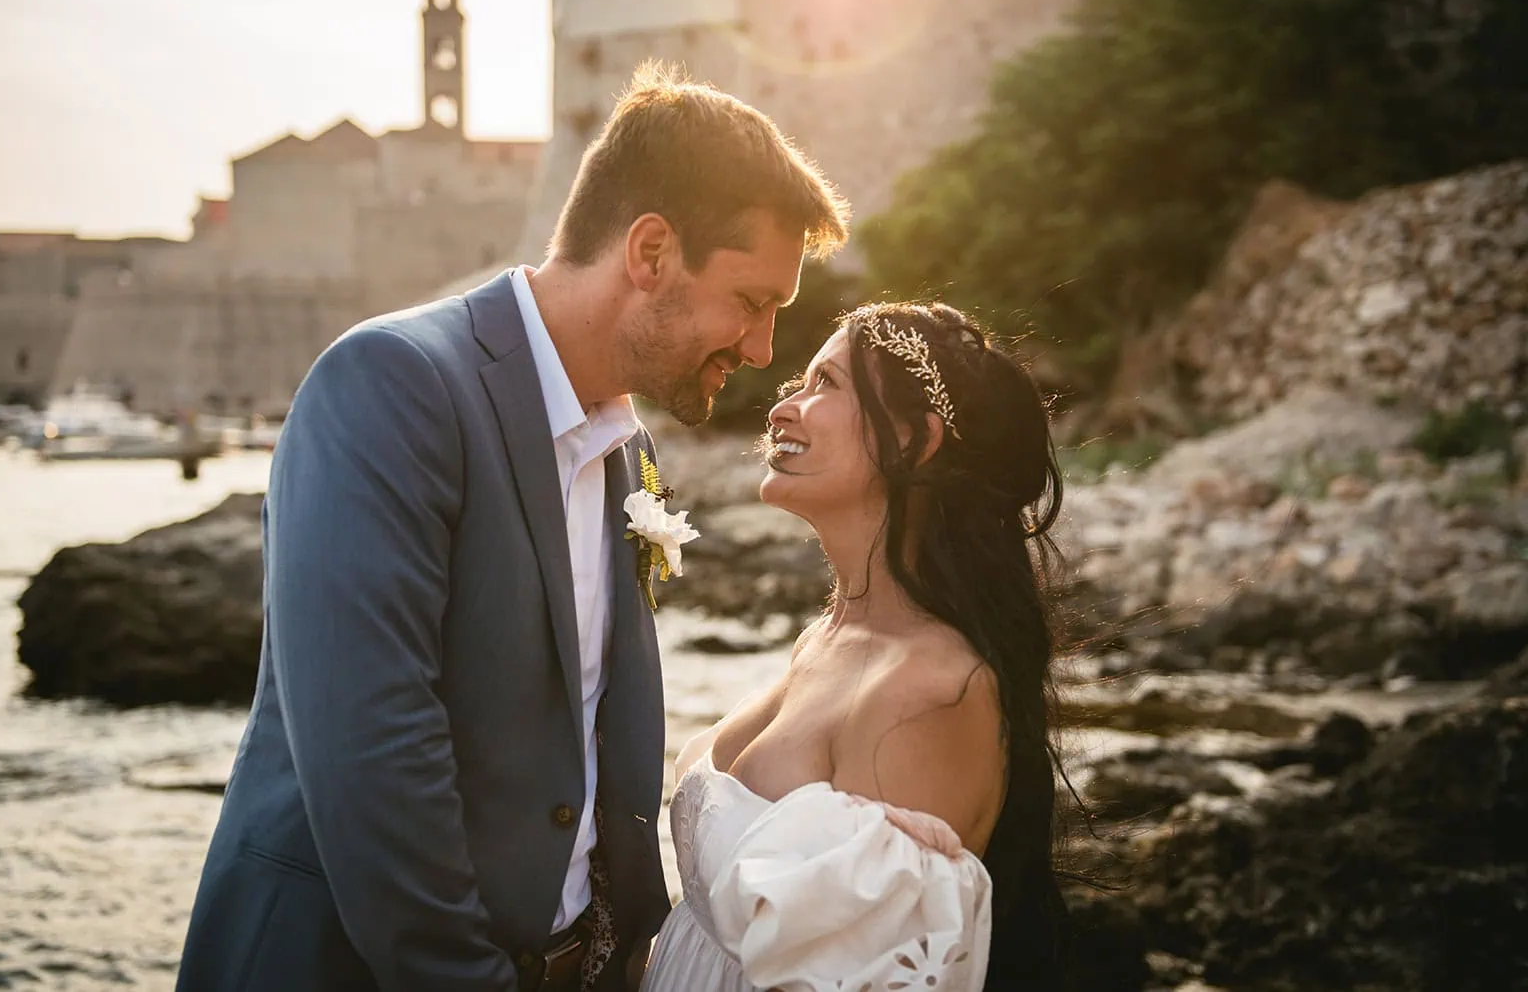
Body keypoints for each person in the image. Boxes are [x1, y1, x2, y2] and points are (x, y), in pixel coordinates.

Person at [175, 63, 850, 992]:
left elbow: (589, 747)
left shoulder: (628, 455)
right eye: (752, 301)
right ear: (650, 253)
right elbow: (377, 762)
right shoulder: (392, 384)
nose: (764, 348)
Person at [641, 302, 1071, 992]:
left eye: (827, 385)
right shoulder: (826, 639)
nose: (784, 407)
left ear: (915, 442)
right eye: (800, 384)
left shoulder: (928, 692)